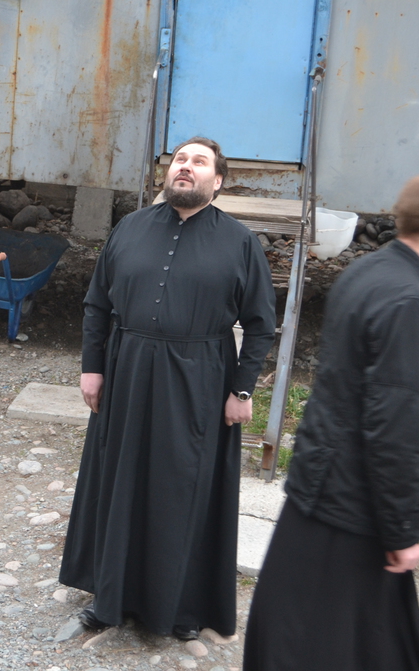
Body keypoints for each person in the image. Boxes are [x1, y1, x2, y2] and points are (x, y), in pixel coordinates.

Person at [243, 171, 419, 671]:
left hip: (318, 493)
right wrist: (401, 531)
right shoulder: (409, 303)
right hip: (356, 514)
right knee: (339, 649)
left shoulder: (365, 273)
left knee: (304, 636)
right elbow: (395, 428)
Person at [60, 137, 277, 641]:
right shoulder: (130, 227)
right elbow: (97, 305)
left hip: (200, 380)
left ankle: (178, 608)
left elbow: (261, 325)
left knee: (182, 489)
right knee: (121, 483)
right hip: (128, 370)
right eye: (180, 159)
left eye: (199, 162)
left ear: (216, 182)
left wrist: (242, 391)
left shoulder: (241, 243)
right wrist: (92, 368)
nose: (186, 167)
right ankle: (109, 599)